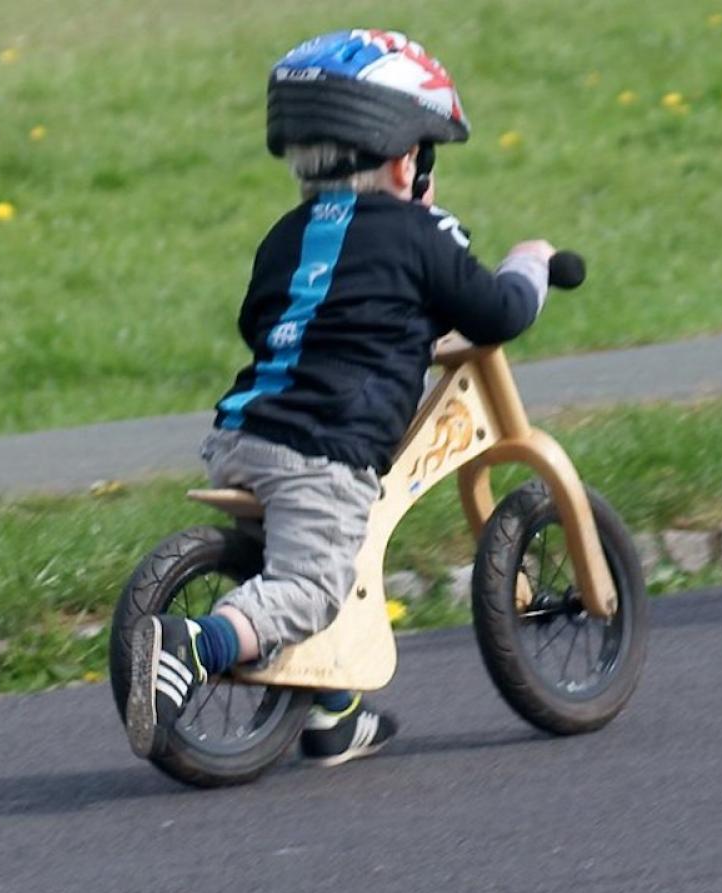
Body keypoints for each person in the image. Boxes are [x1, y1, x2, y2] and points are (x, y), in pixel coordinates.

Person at [125, 28, 556, 767]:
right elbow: (498, 314)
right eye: (430, 154)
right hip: (320, 449)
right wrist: (530, 265)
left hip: (243, 431)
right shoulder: (421, 239)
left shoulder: (285, 236)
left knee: (334, 543)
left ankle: (334, 716)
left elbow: (258, 318)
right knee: (313, 584)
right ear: (403, 158)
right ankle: (199, 645)